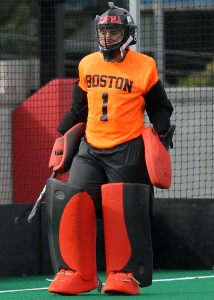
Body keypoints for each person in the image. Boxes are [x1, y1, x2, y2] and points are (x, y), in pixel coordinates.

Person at [46, 1, 173, 296]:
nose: (106, 37)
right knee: (73, 203)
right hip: (90, 148)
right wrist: (61, 136)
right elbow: (77, 108)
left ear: (129, 34)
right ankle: (79, 274)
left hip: (127, 147)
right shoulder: (87, 64)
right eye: (103, 31)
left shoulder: (145, 66)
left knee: (121, 211)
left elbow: (159, 107)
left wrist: (162, 132)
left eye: (113, 32)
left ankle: (124, 274)